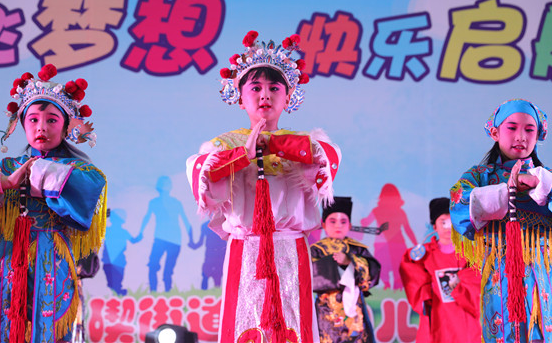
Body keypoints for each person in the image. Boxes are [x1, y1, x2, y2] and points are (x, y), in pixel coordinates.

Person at [186, 30, 341, 342]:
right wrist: (243, 155)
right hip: (245, 247)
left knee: (294, 325)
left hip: (291, 247)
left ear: (288, 96)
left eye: (274, 88)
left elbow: (328, 160)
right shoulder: (224, 145)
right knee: (244, 325)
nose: (265, 95)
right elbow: (201, 175)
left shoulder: (305, 144)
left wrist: (275, 145)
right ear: (240, 97)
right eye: (255, 88)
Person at [0, 64, 107, 343]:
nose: (41, 127)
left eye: (51, 120)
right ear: (22, 125)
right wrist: (4, 183)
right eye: (32, 119)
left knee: (47, 326)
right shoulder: (6, 168)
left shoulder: (79, 170)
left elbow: (90, 187)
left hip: (51, 260)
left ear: (66, 127)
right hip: (7, 261)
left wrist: (38, 173)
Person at [449, 99, 552, 343]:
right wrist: (507, 190)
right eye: (512, 128)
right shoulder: (479, 177)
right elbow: (459, 205)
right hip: (501, 278)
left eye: (529, 129)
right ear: (495, 133)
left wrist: (542, 186)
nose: (521, 137)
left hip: (546, 281)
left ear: (538, 135)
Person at [399, 197, 481, 343]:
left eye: (451, 222)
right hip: (437, 320)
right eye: (443, 222)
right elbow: (414, 282)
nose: (448, 227)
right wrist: (429, 288)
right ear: (434, 226)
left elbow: (476, 284)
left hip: (465, 323)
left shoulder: (470, 254)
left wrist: (460, 283)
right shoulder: (422, 256)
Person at [311, 196, 380, 343]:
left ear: (350, 225)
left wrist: (349, 261)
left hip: (356, 313)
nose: (338, 225)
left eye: (343, 221)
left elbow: (372, 275)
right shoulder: (316, 250)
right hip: (326, 314)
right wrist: (337, 266)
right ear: (323, 224)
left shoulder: (357, 249)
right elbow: (311, 278)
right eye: (333, 221)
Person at [137, 175, 193, 292]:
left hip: (173, 240)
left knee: (166, 270)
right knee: (154, 266)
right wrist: (140, 233)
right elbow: (146, 218)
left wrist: (191, 239)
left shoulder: (175, 203)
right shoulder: (155, 203)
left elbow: (186, 222)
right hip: (161, 239)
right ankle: (154, 291)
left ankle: (166, 292)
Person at [360, 183, 417, 290]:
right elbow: (408, 230)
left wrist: (416, 245)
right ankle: (391, 286)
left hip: (393, 244)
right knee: (391, 268)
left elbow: (366, 222)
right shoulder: (398, 212)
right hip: (392, 244)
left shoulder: (382, 211)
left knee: (388, 268)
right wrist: (416, 244)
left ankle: (390, 285)